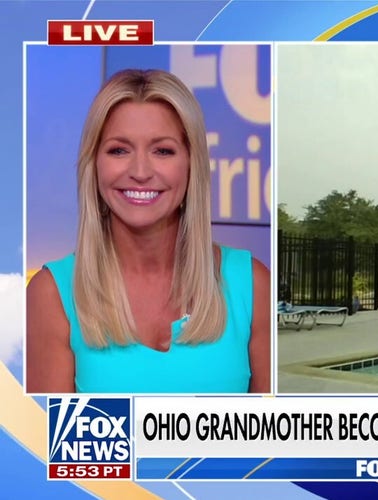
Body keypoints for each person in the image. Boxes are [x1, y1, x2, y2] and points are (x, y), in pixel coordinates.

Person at [26, 69, 271, 393]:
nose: (140, 172)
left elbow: (271, 439)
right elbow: (50, 442)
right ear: (94, 163)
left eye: (163, 151)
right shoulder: (51, 294)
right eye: (119, 150)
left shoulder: (252, 285)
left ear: (191, 163)